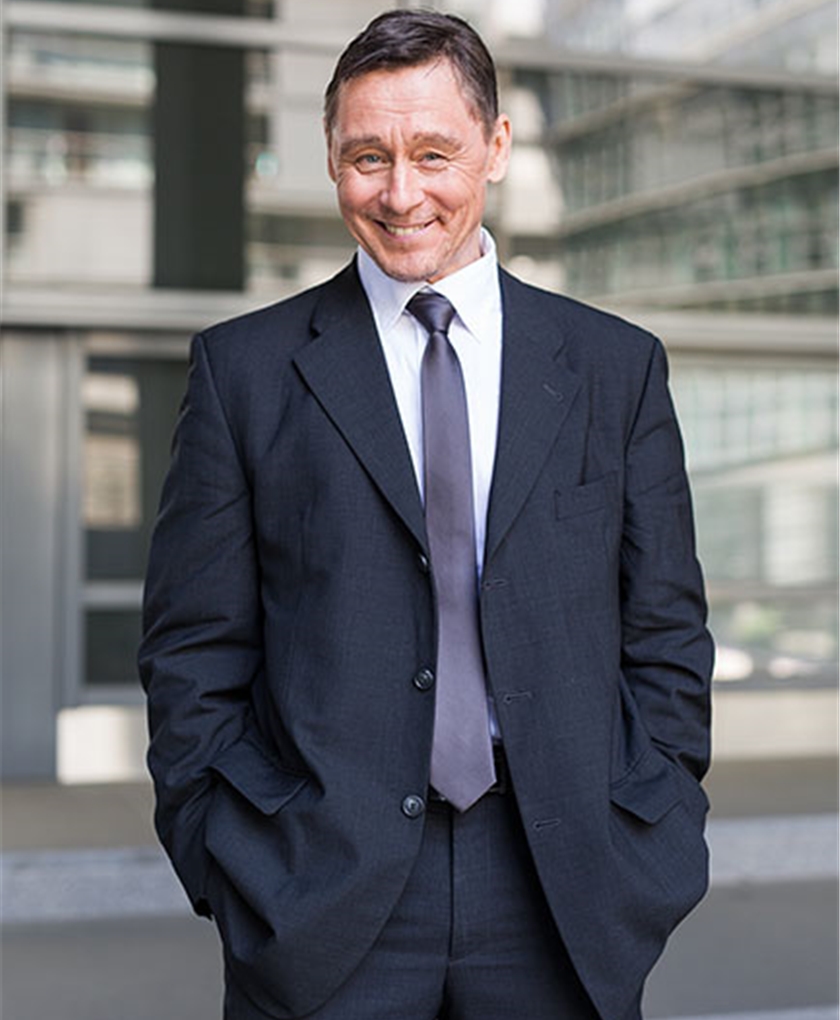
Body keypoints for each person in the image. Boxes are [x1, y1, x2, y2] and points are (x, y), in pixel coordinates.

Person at [139, 9, 714, 1020]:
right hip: (316, 887)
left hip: (563, 885)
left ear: (495, 146)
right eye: (369, 157)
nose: (401, 194)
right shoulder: (244, 373)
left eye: (434, 154)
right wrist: (227, 854)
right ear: (332, 158)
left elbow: (666, 633)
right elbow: (194, 650)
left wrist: (654, 831)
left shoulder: (614, 369)